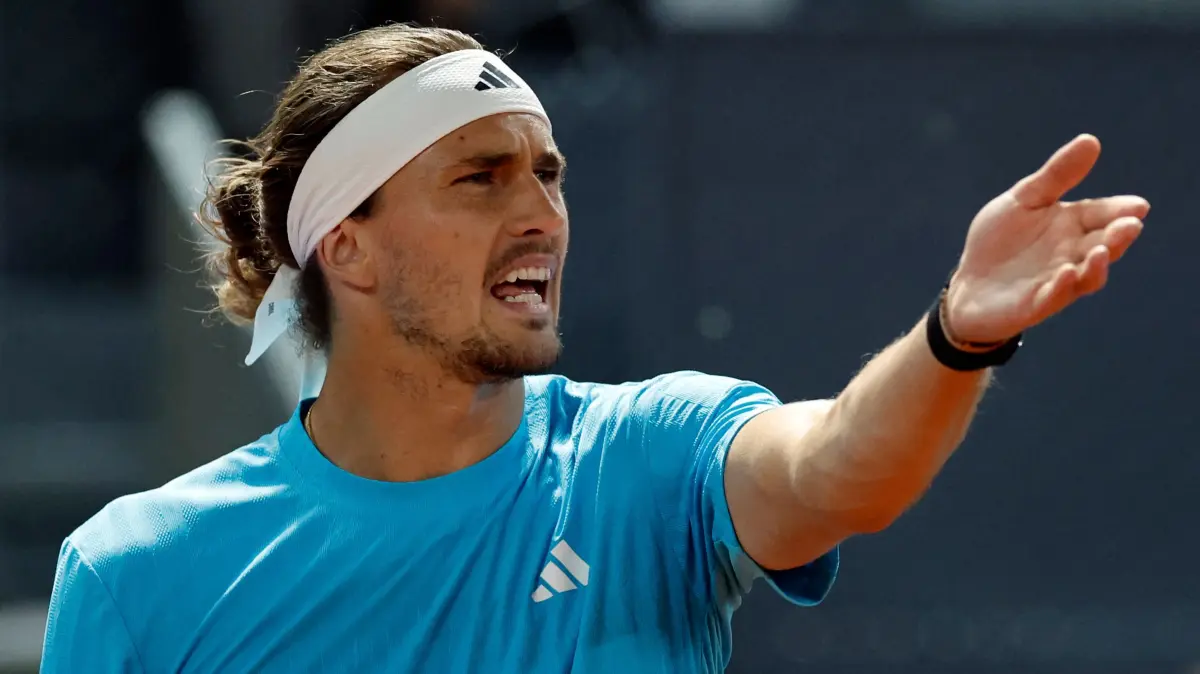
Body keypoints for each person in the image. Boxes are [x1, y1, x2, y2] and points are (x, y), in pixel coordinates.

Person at [40, 24, 1148, 674]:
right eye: (482, 175)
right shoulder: (139, 572)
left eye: (549, 172)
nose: (542, 211)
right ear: (350, 247)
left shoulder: (654, 456)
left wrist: (957, 336)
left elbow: (837, 469)